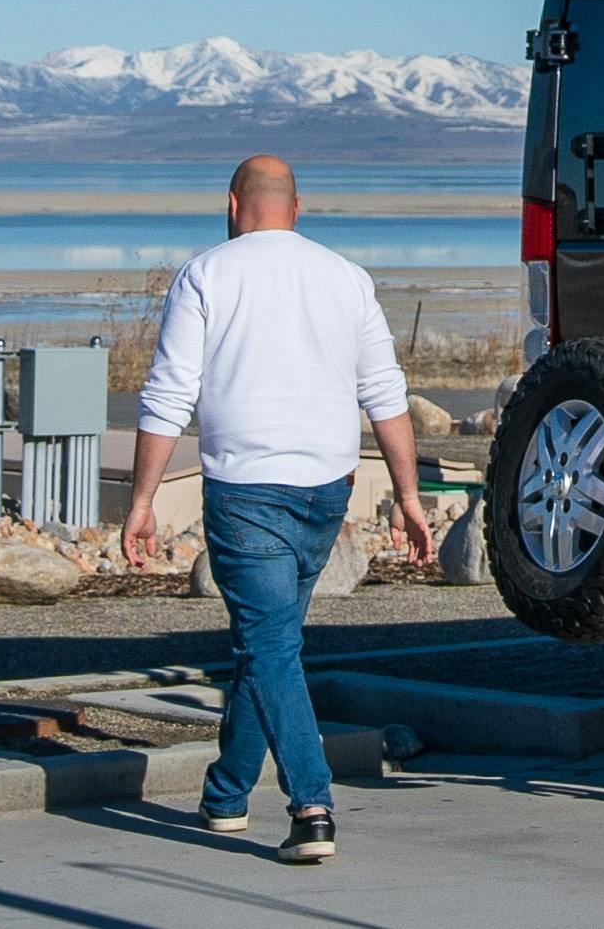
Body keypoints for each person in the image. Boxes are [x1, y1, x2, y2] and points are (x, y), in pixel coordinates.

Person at [123, 155, 434, 863]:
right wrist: (409, 495)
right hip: (326, 489)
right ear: (297, 208)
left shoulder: (206, 273)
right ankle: (227, 792)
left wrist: (142, 499)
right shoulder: (346, 276)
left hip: (245, 490)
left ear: (233, 205)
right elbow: (385, 392)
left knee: (269, 647)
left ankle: (312, 804)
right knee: (268, 646)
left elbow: (168, 394)